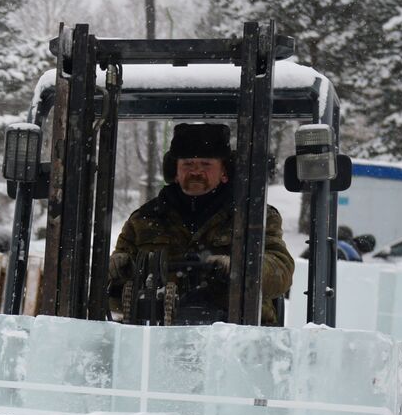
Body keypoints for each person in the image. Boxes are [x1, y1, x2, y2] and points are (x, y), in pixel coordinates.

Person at [110, 122, 294, 325]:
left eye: (206, 164)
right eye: (188, 164)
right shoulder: (144, 220)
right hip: (154, 338)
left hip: (240, 335)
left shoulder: (254, 218)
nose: (196, 172)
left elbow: (281, 272)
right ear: (175, 171)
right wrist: (119, 268)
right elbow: (116, 289)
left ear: (225, 171)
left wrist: (237, 268)